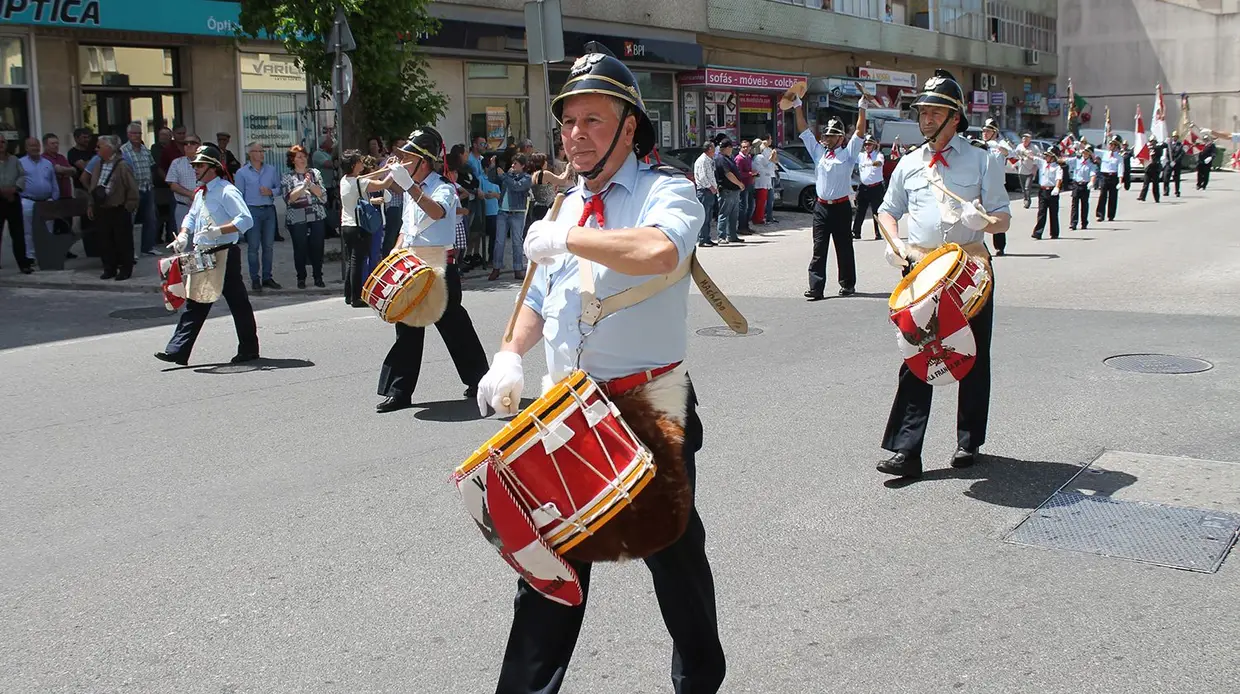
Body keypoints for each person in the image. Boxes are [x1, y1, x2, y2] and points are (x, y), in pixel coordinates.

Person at [475, 41, 726, 694]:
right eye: (567, 122)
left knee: (673, 560)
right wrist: (509, 354)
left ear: (628, 125)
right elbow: (537, 296)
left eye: (592, 120)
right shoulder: (562, 206)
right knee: (547, 569)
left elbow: (660, 251)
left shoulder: (664, 188)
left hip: (648, 408)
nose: (576, 136)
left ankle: (700, 678)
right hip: (566, 410)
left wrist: (571, 236)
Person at [875, 68, 1011, 478]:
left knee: (972, 354)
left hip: (969, 269)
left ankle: (969, 441)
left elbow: (1003, 219)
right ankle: (905, 450)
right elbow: (886, 210)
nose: (926, 119)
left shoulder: (983, 160)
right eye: (923, 112)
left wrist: (983, 221)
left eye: (935, 112)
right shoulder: (909, 165)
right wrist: (896, 243)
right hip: (923, 272)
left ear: (955, 117)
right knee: (915, 355)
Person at [373, 126, 489, 413]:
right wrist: (395, 251)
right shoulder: (411, 190)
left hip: (439, 268)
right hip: (412, 266)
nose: (400, 162)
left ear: (423, 162)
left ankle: (481, 381)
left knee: (455, 328)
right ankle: (399, 391)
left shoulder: (443, 187)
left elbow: (437, 212)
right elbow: (407, 229)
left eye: (406, 157)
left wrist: (409, 188)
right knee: (407, 328)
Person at [155, 144, 259, 366]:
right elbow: (191, 218)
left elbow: (246, 220)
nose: (194, 168)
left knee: (237, 303)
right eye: (194, 165)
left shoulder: (226, 190)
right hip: (203, 253)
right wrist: (183, 235)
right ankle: (178, 350)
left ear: (212, 167)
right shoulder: (201, 193)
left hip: (224, 254)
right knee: (196, 302)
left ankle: (249, 349)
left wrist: (219, 230)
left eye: (199, 165)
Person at [794, 91, 868, 299]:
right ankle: (816, 288)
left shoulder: (848, 153)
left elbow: (860, 133)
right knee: (819, 248)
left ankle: (847, 284)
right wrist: (797, 107)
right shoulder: (819, 152)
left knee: (844, 247)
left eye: (830, 136)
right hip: (821, 207)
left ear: (840, 138)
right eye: (825, 135)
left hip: (841, 207)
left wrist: (862, 108)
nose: (826, 139)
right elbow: (804, 132)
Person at [85, 136, 139, 280]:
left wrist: (129, 206)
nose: (96, 149)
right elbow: (93, 186)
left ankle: (125, 269)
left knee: (122, 241)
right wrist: (91, 204)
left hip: (119, 207)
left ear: (109, 148)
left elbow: (132, 188)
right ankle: (109, 268)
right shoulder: (98, 164)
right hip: (102, 207)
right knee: (105, 240)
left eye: (99, 147)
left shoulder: (122, 165)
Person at [339, 149, 385, 307]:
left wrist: (385, 168)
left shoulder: (345, 180)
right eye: (359, 161)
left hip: (346, 225)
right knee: (357, 262)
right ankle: (356, 297)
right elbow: (383, 184)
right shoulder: (359, 182)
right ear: (353, 165)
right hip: (358, 227)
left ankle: (348, 294)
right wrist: (393, 172)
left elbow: (367, 178)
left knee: (351, 261)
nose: (362, 163)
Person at [235, 141, 282, 292]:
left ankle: (267, 277)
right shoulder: (242, 173)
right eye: (258, 151)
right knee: (253, 247)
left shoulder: (271, 170)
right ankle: (255, 279)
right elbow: (238, 195)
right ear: (251, 154)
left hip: (268, 210)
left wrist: (271, 192)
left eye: (263, 151)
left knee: (268, 246)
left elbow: (279, 188)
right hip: (252, 211)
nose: (261, 154)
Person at [282, 145, 328, 288]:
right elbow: (289, 199)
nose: (303, 159)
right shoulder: (287, 177)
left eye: (304, 156)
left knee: (317, 247)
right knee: (300, 248)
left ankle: (318, 276)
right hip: (297, 217)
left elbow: (323, 195)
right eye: (299, 157)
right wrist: (303, 187)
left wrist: (310, 185)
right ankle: (301, 277)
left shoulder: (315, 173)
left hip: (317, 215)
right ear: (293, 160)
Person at [19, 136, 60, 268]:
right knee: (28, 231)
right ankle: (30, 256)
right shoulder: (20, 163)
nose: (35, 148)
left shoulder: (47, 163)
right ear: (26, 148)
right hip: (28, 201)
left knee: (48, 228)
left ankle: (47, 253)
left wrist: (54, 198)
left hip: (47, 201)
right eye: (32, 146)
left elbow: (53, 182)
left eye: (37, 145)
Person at [492, 154, 531, 280]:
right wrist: (493, 167)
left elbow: (516, 186)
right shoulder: (508, 176)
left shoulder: (526, 178)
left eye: (516, 164)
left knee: (517, 242)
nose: (513, 166)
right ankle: (496, 268)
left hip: (517, 212)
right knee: (499, 241)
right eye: (512, 163)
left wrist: (504, 175)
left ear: (523, 166)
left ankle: (518, 269)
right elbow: (493, 179)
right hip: (503, 212)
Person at [0, 133, 32, 273]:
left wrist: (15, 189)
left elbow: (22, 175)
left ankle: (23, 264)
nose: (1, 144)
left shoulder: (14, 160)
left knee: (18, 233)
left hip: (13, 199)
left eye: (3, 142)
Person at [977, 119, 1010, 255]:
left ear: (994, 132)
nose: (985, 133)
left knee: (997, 215)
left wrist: (995, 145)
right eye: (984, 131)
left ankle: (1000, 247)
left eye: (988, 131)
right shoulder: (979, 145)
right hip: (980, 183)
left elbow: (1009, 152)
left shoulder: (1000, 145)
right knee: (977, 216)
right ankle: (979, 245)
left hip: (996, 187)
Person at [852, 134, 885, 240]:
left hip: (876, 188)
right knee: (860, 211)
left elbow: (879, 163)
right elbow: (851, 159)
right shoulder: (861, 156)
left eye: (870, 144)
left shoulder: (878, 155)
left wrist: (872, 163)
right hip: (863, 187)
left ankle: (878, 233)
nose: (867, 146)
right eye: (865, 144)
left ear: (874, 145)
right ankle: (856, 232)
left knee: (877, 211)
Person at [713, 138, 745, 244]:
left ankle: (732, 235)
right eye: (731, 147)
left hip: (733, 190)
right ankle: (721, 236)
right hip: (727, 190)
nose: (732, 150)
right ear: (727, 148)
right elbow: (728, 174)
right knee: (724, 214)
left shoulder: (728, 158)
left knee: (733, 215)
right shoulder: (721, 159)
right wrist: (739, 183)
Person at [1031, 145, 1063, 240]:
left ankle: (1054, 233)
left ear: (1053, 157)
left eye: (1048, 155)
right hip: (1043, 190)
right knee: (1041, 212)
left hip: (1052, 191)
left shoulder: (1057, 168)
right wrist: (1023, 153)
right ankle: (1038, 232)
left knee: (1053, 213)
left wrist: (1057, 188)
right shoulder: (1042, 163)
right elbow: (1033, 157)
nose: (1046, 157)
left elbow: (1059, 178)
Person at [693, 141, 719, 246]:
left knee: (708, 216)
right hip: (704, 191)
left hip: (710, 191)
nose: (715, 150)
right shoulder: (702, 160)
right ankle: (702, 239)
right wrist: (711, 187)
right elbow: (703, 177)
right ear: (709, 149)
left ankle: (707, 238)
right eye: (713, 148)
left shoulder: (709, 160)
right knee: (704, 216)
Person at [1095, 135, 1125, 222]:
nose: (1110, 146)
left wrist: (1120, 181)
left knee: (1113, 196)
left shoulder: (1119, 157)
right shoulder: (1104, 153)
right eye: (1110, 144)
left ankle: (1111, 215)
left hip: (1113, 177)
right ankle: (1100, 214)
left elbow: (1120, 169)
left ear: (1116, 146)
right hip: (1104, 176)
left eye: (1113, 145)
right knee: (1102, 196)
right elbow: (1092, 151)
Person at [1069, 143, 1097, 231]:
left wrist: (1091, 182)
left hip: (1085, 185)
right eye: (1084, 152)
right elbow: (1065, 161)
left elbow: (1093, 174)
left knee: (1084, 205)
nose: (1085, 154)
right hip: (1076, 184)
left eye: (1087, 153)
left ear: (1089, 154)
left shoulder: (1092, 165)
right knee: (1074, 205)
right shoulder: (1077, 160)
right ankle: (1073, 223)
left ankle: (1084, 222)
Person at [751, 139, 774, 226]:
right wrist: (772, 156)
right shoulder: (760, 157)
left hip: (760, 181)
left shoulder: (755, 157)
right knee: (761, 202)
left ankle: (758, 217)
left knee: (760, 202)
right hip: (762, 182)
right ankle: (758, 219)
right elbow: (769, 165)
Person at [1014, 133, 1040, 209]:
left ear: (1029, 140)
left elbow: (1039, 158)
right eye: (1023, 139)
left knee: (1027, 188)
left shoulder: (1034, 147)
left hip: (1030, 171)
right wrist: (1018, 159)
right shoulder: (1019, 147)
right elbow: (1015, 155)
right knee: (1023, 188)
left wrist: (1035, 168)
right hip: (1021, 170)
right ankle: (1025, 198)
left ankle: (1027, 201)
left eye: (1026, 139)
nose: (1025, 140)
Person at [1137, 136, 1163, 203]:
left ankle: (1157, 198)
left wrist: (1152, 148)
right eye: (1151, 141)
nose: (1152, 143)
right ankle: (1142, 197)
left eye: (1153, 142)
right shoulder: (1147, 149)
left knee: (1155, 185)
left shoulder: (1158, 148)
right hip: (1148, 169)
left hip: (1155, 169)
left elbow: (1160, 152)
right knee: (1145, 184)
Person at [1164, 132, 1183, 197]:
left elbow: (1181, 154)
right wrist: (1169, 161)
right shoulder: (1169, 145)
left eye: (1176, 137)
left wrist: (1175, 161)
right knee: (1166, 177)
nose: (1174, 138)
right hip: (1169, 163)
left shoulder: (1180, 145)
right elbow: (1167, 153)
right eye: (1174, 136)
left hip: (1176, 163)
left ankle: (1177, 191)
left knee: (1177, 178)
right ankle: (1166, 191)